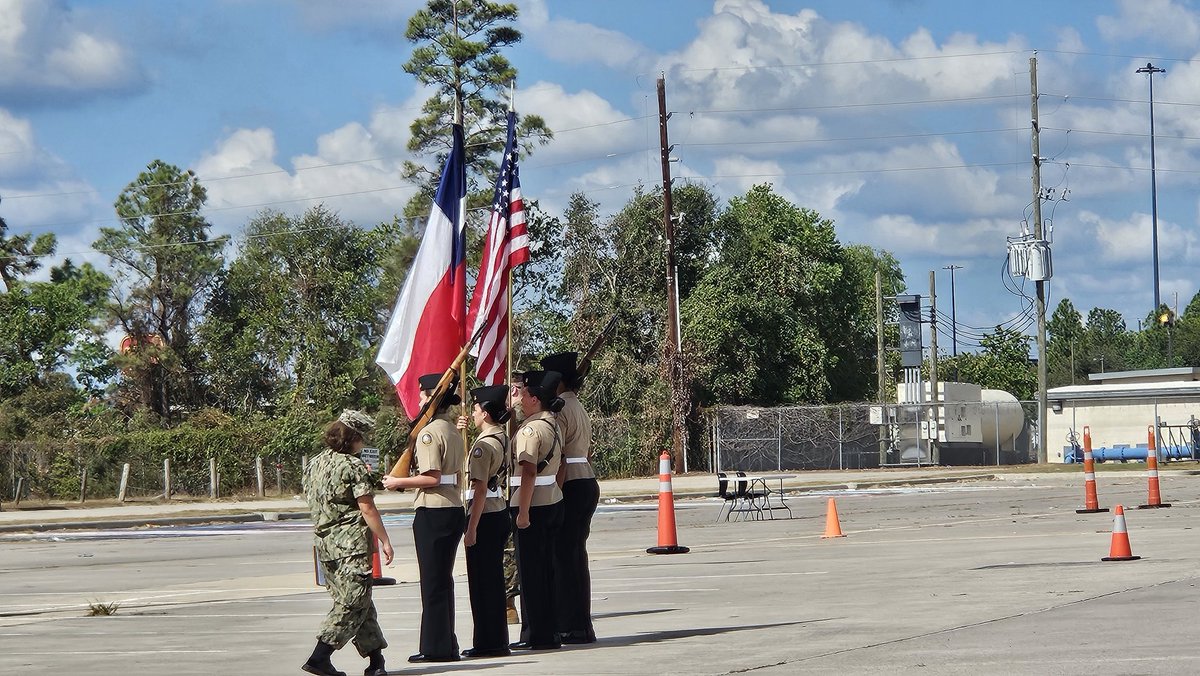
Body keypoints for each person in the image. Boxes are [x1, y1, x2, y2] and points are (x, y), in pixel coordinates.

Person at [381, 374, 465, 664]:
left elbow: (432, 477)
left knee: (433, 583)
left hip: (434, 510)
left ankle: (436, 648)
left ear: (432, 398)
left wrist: (396, 482)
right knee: (442, 581)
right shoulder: (452, 429)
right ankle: (445, 643)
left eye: (422, 395)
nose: (418, 400)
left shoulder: (429, 434)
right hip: (452, 508)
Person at [302, 409, 392, 676]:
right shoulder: (352, 466)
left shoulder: (314, 463)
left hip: (326, 547)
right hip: (350, 546)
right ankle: (320, 656)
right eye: (361, 438)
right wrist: (385, 540)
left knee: (361, 603)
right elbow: (367, 508)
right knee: (351, 603)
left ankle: (377, 662)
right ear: (352, 437)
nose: (363, 443)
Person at [541, 351, 599, 644]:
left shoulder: (561, 408)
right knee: (575, 556)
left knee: (564, 557)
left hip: (571, 483)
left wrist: (556, 495)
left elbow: (561, 459)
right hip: (585, 479)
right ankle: (580, 623)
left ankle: (571, 624)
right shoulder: (578, 406)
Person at [508, 370, 565, 651]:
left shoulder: (531, 429)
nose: (520, 399)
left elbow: (528, 472)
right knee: (547, 571)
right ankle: (549, 631)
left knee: (532, 574)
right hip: (552, 499)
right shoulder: (552, 424)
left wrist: (523, 513)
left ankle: (537, 634)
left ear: (534, 399)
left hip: (534, 505)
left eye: (524, 394)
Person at [459, 385, 514, 658]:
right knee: (493, 581)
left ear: (486, 414)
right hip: (499, 511)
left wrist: (471, 528)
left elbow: (479, 490)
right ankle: (496, 640)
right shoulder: (503, 438)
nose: (473, 413)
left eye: (476, 409)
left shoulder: (482, 446)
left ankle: (487, 643)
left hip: (485, 516)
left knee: (482, 585)